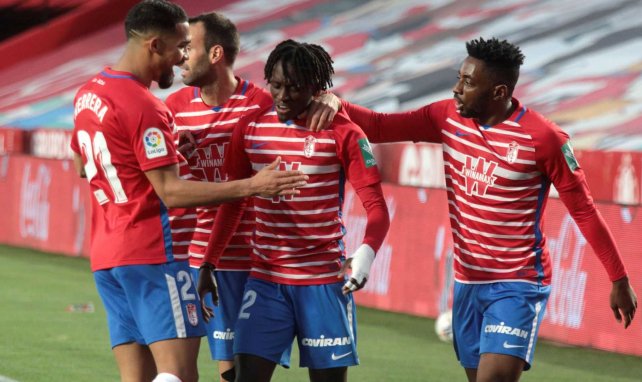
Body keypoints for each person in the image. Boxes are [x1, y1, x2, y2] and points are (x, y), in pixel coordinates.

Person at [337, 37, 638, 382]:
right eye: (459, 78)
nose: (456, 89)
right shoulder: (446, 117)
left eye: (467, 82)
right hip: (467, 282)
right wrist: (329, 102)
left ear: (498, 92)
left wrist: (619, 278)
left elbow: (583, 210)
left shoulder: (544, 139)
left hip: (518, 282)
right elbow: (377, 125)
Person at [69, 2, 307, 382]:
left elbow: (83, 164)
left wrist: (157, 155)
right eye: (179, 46)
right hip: (154, 253)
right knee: (179, 375)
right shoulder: (146, 105)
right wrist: (253, 185)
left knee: (139, 378)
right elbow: (172, 193)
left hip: (108, 257)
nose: (181, 58)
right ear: (154, 45)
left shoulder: (88, 93)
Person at [197, 39, 390, 382]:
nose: (284, 95)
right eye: (277, 85)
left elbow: (376, 208)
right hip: (266, 282)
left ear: (316, 88)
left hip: (323, 284)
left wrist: (367, 253)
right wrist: (210, 262)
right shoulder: (249, 128)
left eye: (295, 87)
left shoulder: (343, 132)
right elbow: (234, 202)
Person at [164, 12, 341, 382]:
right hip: (199, 256)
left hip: (256, 259)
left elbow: (309, 104)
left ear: (215, 54)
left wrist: (332, 98)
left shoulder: (262, 103)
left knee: (241, 370)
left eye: (188, 47)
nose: (181, 56)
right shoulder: (174, 108)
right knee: (199, 369)